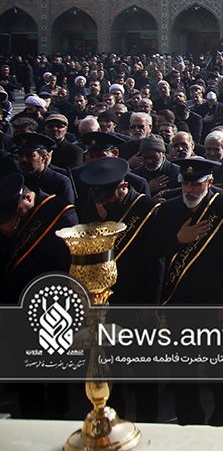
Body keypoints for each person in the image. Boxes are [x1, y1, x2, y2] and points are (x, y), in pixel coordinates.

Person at [75, 156, 163, 422]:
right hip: (106, 302)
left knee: (144, 369)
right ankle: (113, 419)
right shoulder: (91, 208)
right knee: (109, 367)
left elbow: (156, 261)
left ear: (122, 187)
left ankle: (150, 421)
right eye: (98, 198)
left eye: (107, 198)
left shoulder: (147, 208)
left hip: (139, 300)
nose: (102, 203)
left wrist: (151, 305)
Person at [156, 156, 223, 425]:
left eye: (196, 184)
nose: (189, 190)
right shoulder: (168, 210)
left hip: (215, 300)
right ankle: (188, 418)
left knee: (220, 365)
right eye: (185, 183)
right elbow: (153, 251)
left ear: (210, 182)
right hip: (181, 300)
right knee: (183, 368)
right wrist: (177, 240)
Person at [0, 170, 77, 419]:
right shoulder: (8, 224)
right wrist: (7, 237)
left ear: (28, 198)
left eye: (17, 211)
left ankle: (57, 415)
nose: (15, 218)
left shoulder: (59, 211)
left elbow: (69, 261)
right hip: (17, 302)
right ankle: (30, 415)